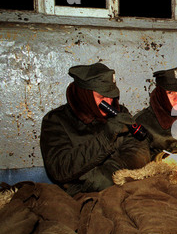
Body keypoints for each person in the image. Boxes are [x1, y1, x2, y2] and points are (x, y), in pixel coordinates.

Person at [40, 63, 151, 196]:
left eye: (111, 96)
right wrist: (106, 137)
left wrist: (107, 174)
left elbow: (139, 150)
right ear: (84, 94)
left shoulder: (119, 113)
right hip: (82, 195)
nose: (109, 102)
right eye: (102, 97)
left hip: (122, 186)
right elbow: (60, 168)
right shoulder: (56, 121)